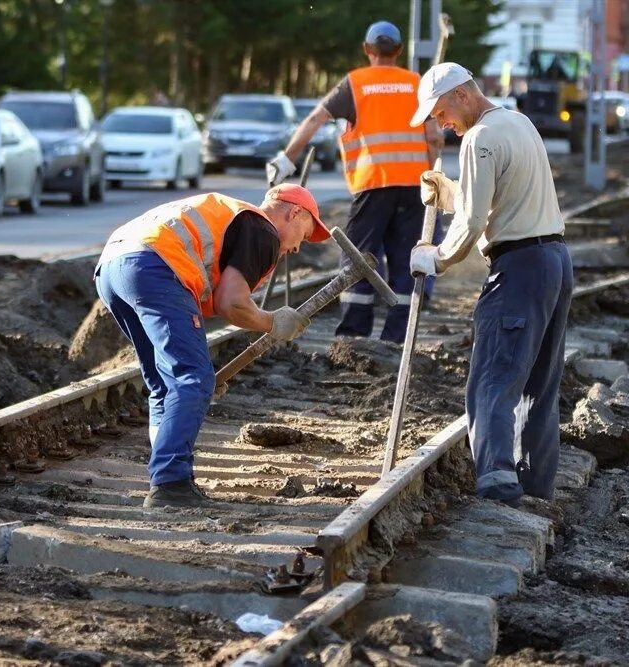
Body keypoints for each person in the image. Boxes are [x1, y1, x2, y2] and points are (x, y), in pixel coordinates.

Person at [94, 184, 331, 508]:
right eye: (304, 234)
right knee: (192, 378)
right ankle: (170, 484)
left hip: (113, 265)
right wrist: (273, 322)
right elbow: (231, 303)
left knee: (166, 384)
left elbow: (220, 302)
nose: (298, 247)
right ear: (295, 213)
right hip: (154, 265)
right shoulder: (262, 230)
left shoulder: (235, 218)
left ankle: (168, 477)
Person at [407, 63, 571, 508]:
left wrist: (435, 257)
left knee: (492, 378)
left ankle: (498, 486)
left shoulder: (479, 139)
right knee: (538, 383)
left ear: (462, 95)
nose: (440, 123)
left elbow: (474, 221)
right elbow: (498, 194)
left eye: (440, 112)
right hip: (554, 259)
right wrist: (447, 192)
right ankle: (534, 485)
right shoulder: (517, 122)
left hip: (518, 268)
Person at [266, 20, 443, 343]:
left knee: (358, 258)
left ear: (367, 49)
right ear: (399, 51)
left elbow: (315, 119)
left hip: (372, 185)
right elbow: (433, 137)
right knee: (407, 261)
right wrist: (430, 177)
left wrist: (286, 159)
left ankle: (353, 334)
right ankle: (397, 337)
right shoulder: (415, 83)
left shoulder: (355, 83)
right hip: (414, 188)